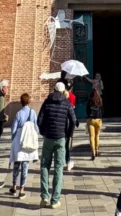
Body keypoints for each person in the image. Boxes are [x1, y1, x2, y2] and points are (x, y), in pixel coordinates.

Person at [38, 81, 76, 209]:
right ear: (63, 91)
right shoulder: (67, 103)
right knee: (59, 168)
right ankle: (55, 200)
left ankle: (44, 196)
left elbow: (39, 119)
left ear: (54, 90)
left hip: (48, 138)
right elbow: (73, 120)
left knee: (44, 165)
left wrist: (43, 132)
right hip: (60, 138)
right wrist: (68, 134)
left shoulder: (47, 101)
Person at [8, 92, 39, 199]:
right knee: (25, 165)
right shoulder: (32, 112)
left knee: (16, 164)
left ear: (21, 102)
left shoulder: (18, 113)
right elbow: (36, 127)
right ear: (29, 101)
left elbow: (13, 129)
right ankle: (22, 190)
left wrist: (13, 140)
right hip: (28, 140)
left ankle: (14, 186)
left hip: (18, 140)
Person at [86, 89, 104, 159]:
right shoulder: (100, 100)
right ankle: (97, 150)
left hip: (91, 120)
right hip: (98, 120)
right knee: (97, 135)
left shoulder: (89, 101)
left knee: (91, 136)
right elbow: (102, 110)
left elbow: (87, 110)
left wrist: (88, 116)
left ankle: (93, 152)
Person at [64, 79, 77, 171]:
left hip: (62, 123)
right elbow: (73, 108)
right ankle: (68, 161)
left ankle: (65, 160)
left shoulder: (61, 97)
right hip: (69, 122)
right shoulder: (73, 97)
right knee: (67, 144)